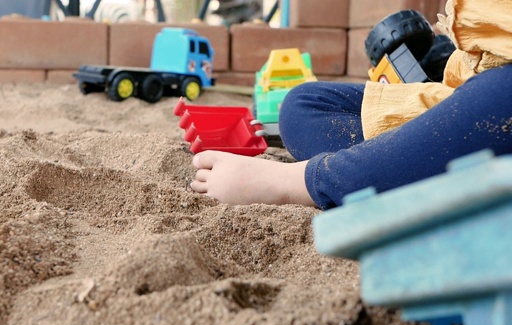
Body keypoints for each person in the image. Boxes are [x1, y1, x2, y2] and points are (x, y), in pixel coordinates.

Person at [190, 0, 512, 210]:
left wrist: (291, 180)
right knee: (303, 104)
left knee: (502, 93)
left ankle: (299, 182)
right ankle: (405, 164)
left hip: (498, 99)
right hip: (463, 87)